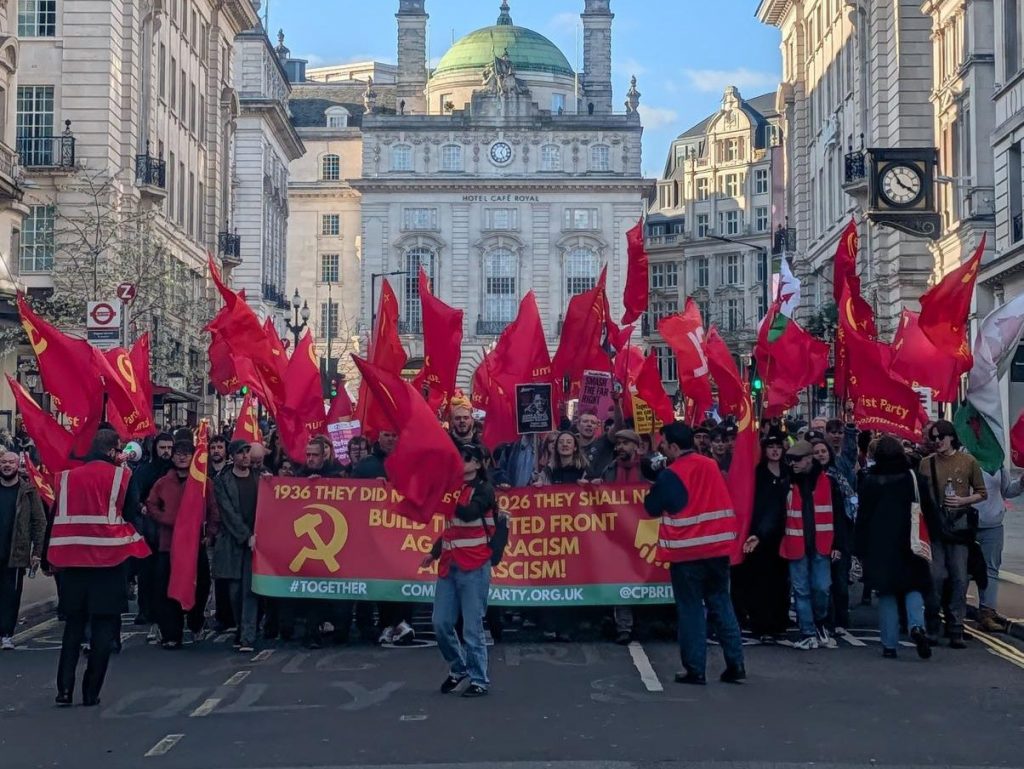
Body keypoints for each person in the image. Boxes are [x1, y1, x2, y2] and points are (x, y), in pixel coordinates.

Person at [47, 430, 150, 706]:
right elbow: (131, 517)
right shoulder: (121, 477)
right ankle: (90, 692)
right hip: (109, 563)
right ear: (113, 451)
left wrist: (50, 557)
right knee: (104, 628)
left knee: (73, 628)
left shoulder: (67, 478)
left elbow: (54, 516)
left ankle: (64, 690)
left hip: (73, 562)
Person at [644, 422, 744, 685]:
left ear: (675, 447)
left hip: (687, 552)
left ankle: (695, 668)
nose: (661, 449)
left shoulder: (673, 473)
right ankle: (736, 664)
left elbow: (652, 507)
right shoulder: (710, 465)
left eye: (664, 444)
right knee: (722, 605)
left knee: (690, 611)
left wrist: (657, 480)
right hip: (718, 549)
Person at [856, 435, 940, 659]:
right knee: (914, 587)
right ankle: (916, 626)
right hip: (911, 542)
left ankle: (890, 644)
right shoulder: (914, 478)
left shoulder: (870, 481)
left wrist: (859, 547)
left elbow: (863, 517)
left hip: (881, 546)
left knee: (887, 594)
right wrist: (936, 534)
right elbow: (929, 511)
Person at [422, 444, 496, 698]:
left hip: (474, 566)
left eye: (465, 459)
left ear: (477, 464)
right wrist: (433, 552)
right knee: (440, 622)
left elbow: (468, 513)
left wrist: (446, 497)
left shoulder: (484, 489)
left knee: (472, 627)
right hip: (450, 564)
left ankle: (479, 679)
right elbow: (451, 528)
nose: (459, 462)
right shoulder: (453, 490)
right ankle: (459, 668)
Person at [757, 439, 845, 650]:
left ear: (808, 460)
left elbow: (839, 516)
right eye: (791, 460)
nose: (793, 463)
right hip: (796, 543)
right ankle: (807, 631)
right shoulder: (787, 483)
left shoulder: (829, 482)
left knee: (821, 588)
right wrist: (759, 534)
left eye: (796, 460)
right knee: (801, 590)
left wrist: (839, 544)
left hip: (821, 544)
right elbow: (776, 513)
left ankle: (820, 622)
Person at [919, 420, 987, 648]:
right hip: (935, 528)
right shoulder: (926, 464)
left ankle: (956, 627)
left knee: (959, 577)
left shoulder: (968, 462)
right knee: (935, 577)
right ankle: (932, 625)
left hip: (959, 529)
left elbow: (981, 493)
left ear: (951, 437)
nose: (937, 442)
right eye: (933, 438)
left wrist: (963, 500)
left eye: (940, 437)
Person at [145, 440, 215, 648]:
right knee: (166, 589)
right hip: (169, 545)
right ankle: (171, 634)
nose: (182, 457)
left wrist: (210, 533)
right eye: (178, 453)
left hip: (195, 545)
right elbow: (151, 504)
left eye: (186, 454)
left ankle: (195, 622)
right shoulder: (163, 483)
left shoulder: (204, 482)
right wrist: (167, 519)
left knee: (200, 586)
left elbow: (213, 510)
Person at [351, 430, 414, 644]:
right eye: (387, 434)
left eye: (394, 435)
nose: (391, 438)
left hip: (403, 529)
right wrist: (370, 486)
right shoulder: (366, 465)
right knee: (382, 579)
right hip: (374, 533)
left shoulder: (409, 461)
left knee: (404, 577)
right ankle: (391, 624)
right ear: (379, 437)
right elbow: (350, 495)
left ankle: (399, 622)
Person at [732, 433, 790, 643]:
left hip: (783, 534)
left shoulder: (788, 471)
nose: (775, 450)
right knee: (760, 581)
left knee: (780, 581)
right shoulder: (758, 474)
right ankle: (762, 623)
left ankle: (779, 622)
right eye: (770, 446)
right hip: (759, 534)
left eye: (778, 446)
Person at [599, 429, 649, 644]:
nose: (620, 447)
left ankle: (648, 623)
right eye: (618, 443)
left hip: (647, 532)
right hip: (618, 533)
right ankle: (624, 627)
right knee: (621, 577)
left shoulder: (648, 468)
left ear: (636, 447)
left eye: (625, 443)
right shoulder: (609, 470)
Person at [213, 440, 260, 652]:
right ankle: (242, 629)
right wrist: (244, 535)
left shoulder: (260, 477)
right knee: (234, 591)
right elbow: (227, 512)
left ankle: (248, 637)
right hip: (233, 540)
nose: (245, 456)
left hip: (257, 542)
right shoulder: (222, 480)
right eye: (240, 453)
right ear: (232, 456)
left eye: (247, 452)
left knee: (250, 589)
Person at [0, 451, 47, 650]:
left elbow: (39, 522)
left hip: (16, 553)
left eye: (10, 462)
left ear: (18, 464)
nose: (6, 465)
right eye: (3, 462)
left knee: (10, 595)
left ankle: (6, 634)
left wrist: (37, 551)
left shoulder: (28, 491)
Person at [810, 435, 856, 633]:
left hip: (840, 534)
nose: (820, 455)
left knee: (840, 580)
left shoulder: (837, 476)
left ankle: (841, 620)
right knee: (822, 581)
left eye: (823, 451)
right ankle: (825, 619)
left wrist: (839, 542)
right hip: (818, 535)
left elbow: (845, 507)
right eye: (816, 452)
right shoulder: (809, 478)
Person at [128, 432, 175, 629]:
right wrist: (142, 508)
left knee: (167, 572)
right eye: (162, 447)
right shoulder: (144, 470)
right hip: (149, 529)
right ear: (155, 448)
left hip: (171, 528)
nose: (166, 452)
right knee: (147, 572)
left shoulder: (176, 471)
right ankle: (145, 610)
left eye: (169, 448)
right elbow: (134, 496)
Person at [974, 467, 1022, 631]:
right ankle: (955, 617)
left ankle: (987, 613)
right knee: (962, 571)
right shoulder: (964, 458)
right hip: (966, 524)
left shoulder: (998, 462)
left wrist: (1022, 483)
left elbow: (1008, 490)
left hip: (993, 525)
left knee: (991, 569)